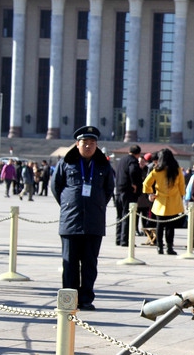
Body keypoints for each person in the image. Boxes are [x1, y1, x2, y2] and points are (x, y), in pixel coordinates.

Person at [51, 125, 115, 311]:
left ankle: (86, 298)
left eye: (92, 143)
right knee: (70, 262)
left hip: (94, 221)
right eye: (85, 142)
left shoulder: (103, 165)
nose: (88, 146)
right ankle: (69, 298)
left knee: (89, 263)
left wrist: (97, 204)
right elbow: (56, 187)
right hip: (71, 220)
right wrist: (69, 204)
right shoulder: (67, 162)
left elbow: (108, 190)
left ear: (97, 145)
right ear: (77, 144)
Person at [143, 149, 185, 255]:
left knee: (160, 226)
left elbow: (146, 184)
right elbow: (181, 185)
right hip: (174, 201)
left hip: (160, 201)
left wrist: (150, 194)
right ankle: (169, 247)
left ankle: (159, 247)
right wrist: (181, 196)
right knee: (171, 226)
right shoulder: (177, 170)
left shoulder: (156, 170)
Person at [114, 144, 143, 246]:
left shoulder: (121, 161)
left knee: (119, 216)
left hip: (118, 191)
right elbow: (133, 171)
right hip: (128, 192)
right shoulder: (133, 161)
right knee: (127, 216)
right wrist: (134, 183)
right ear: (138, 154)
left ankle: (118, 239)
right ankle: (125, 240)